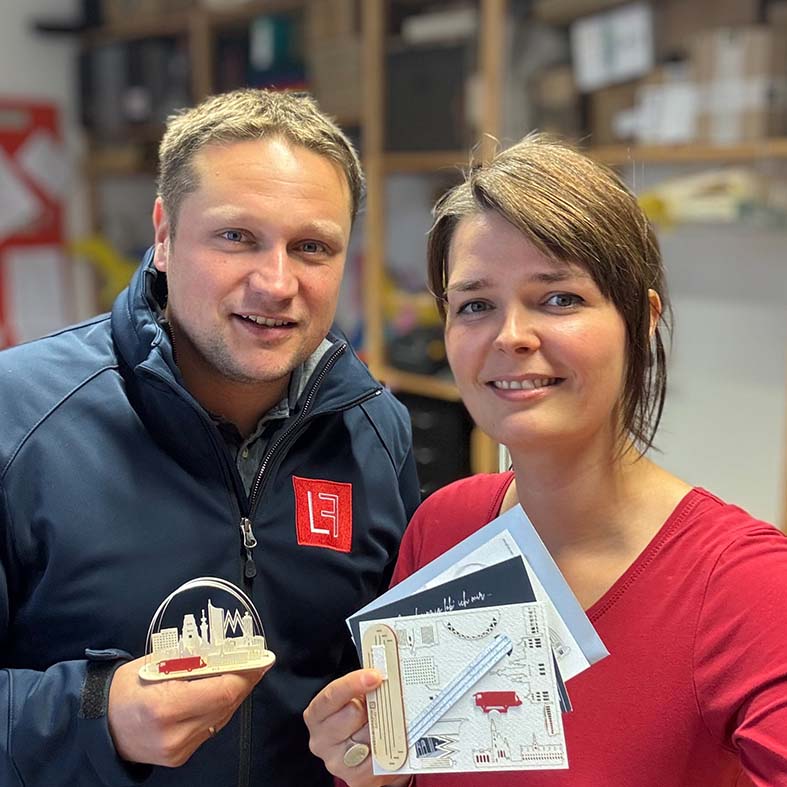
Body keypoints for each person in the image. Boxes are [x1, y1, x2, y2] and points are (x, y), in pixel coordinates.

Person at [304, 134, 787, 786]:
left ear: (642, 319)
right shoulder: (443, 527)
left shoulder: (746, 585)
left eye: (559, 298)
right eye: (475, 305)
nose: (511, 336)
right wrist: (370, 770)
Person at [0, 88, 420, 787]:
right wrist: (95, 714)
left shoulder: (376, 431)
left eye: (311, 247)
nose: (276, 283)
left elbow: (394, 695)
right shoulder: (18, 416)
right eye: (236, 237)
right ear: (164, 235)